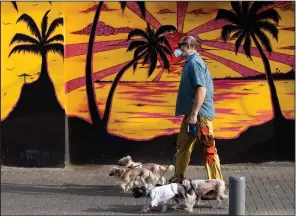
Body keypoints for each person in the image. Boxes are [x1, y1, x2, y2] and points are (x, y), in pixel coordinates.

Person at [169, 35, 223, 183]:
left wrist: (194, 114)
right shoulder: (189, 63)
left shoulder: (195, 63)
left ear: (187, 46)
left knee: (208, 148)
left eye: (180, 46)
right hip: (190, 115)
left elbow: (201, 89)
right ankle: (177, 179)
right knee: (183, 146)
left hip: (200, 116)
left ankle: (216, 184)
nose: (178, 49)